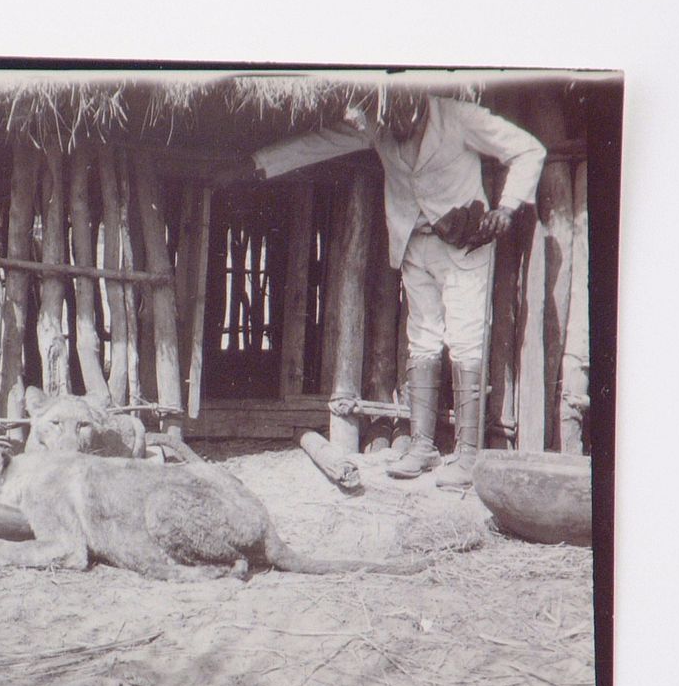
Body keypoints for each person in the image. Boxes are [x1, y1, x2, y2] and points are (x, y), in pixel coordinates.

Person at [228, 87, 546, 488]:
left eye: (402, 113)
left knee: (465, 340)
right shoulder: (378, 124)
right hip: (415, 244)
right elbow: (325, 142)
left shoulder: (459, 117)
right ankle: (423, 447)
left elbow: (528, 149)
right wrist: (261, 163)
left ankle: (468, 456)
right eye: (387, 114)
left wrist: (508, 206)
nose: (393, 124)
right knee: (423, 340)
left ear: (419, 100)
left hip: (464, 245)